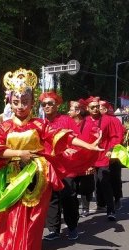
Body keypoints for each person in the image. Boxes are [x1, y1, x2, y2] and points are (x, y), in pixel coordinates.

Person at [0, 68, 102, 250]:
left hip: (38, 179)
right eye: (16, 101)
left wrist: (89, 145)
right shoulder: (4, 126)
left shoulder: (40, 124)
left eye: (24, 101)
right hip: (12, 179)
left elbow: (64, 138)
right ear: (10, 101)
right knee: (9, 223)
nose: (20, 106)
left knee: (32, 226)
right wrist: (19, 154)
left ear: (32, 101)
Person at [39, 91, 80, 241]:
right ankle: (53, 229)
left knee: (68, 197)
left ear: (57, 105)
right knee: (51, 199)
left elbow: (76, 139)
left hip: (65, 167)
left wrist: (70, 149)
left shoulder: (66, 120)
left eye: (50, 103)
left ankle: (72, 227)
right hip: (48, 166)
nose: (47, 106)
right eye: (44, 104)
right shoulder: (40, 123)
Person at [85, 96, 122, 220]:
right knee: (93, 183)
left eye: (97, 107)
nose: (96, 109)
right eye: (92, 107)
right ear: (87, 108)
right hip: (89, 157)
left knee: (105, 181)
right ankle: (93, 205)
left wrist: (111, 150)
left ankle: (111, 210)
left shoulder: (108, 120)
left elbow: (115, 137)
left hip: (103, 156)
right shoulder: (85, 121)